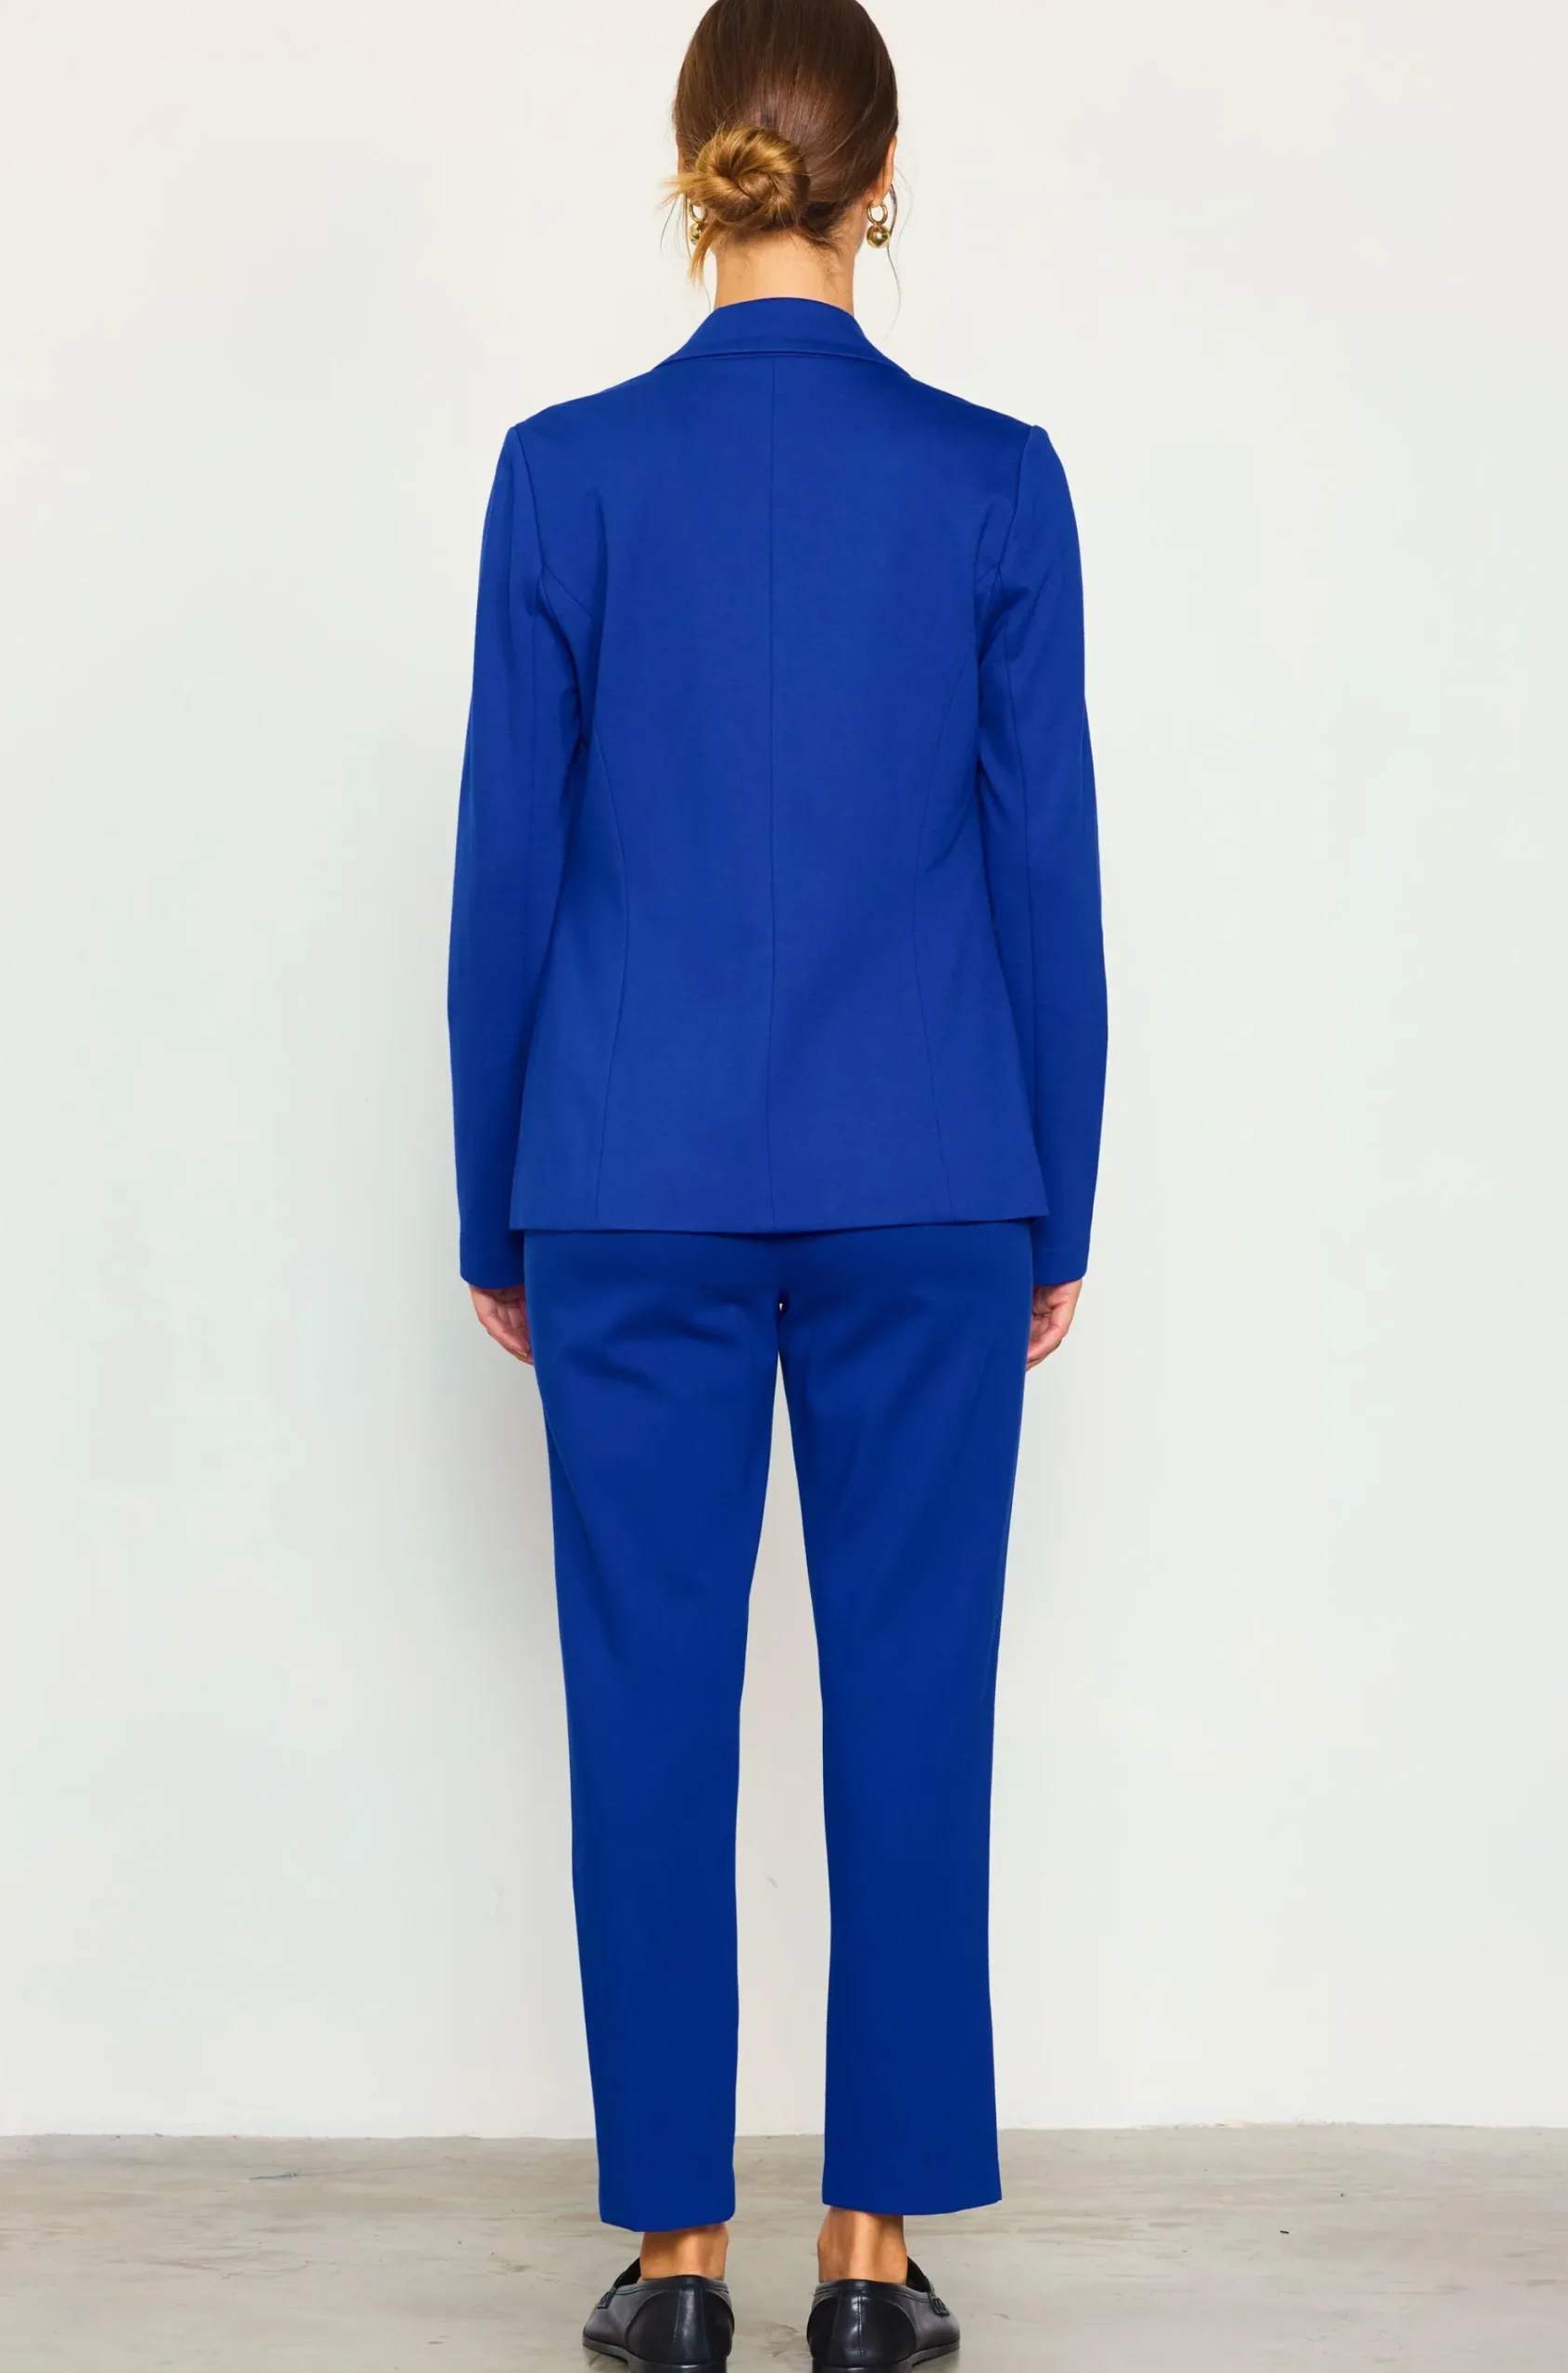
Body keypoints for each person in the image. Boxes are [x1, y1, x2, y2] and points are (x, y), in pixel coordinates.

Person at [447, 1, 1106, 2363]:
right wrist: (1059, 1197)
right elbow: (1045, 869)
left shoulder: (563, 474)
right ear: (879, 177)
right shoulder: (994, 480)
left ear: (696, 161)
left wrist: (492, 1199)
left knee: (646, 1702)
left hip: (622, 1172)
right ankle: (867, 2252)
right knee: (914, 1696)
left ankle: (674, 2261)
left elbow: (507, 872)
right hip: (932, 1169)